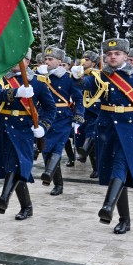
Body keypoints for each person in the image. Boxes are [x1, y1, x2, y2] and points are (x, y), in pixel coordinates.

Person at [71, 38, 133, 232]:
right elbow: (85, 84)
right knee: (115, 172)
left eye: (117, 54)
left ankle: (107, 206)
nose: (112, 57)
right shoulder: (101, 76)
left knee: (119, 166)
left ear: (125, 56)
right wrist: (77, 77)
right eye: (109, 54)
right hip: (107, 129)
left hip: (131, 129)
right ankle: (124, 219)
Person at [0, 53, 56, 221]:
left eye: (20, 57)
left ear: (27, 61)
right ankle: (26, 206)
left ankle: (4, 197)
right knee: (14, 166)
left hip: (24, 129)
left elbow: (50, 109)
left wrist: (43, 126)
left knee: (16, 163)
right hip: (5, 126)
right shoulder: (1, 78)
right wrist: (16, 92)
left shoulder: (38, 82)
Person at [36, 47, 84, 196]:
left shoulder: (68, 77)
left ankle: (55, 180)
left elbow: (78, 99)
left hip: (63, 117)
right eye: (46, 59)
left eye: (51, 59)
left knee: (57, 147)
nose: (47, 62)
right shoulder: (40, 75)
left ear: (59, 61)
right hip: (45, 116)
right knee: (45, 149)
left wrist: (78, 116)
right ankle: (54, 178)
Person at [76, 50, 102, 178]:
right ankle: (83, 152)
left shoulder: (96, 75)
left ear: (94, 63)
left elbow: (85, 83)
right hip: (83, 110)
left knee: (91, 136)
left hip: (95, 110)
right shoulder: (81, 73)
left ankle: (95, 165)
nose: (83, 61)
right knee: (81, 135)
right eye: (83, 59)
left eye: (87, 60)